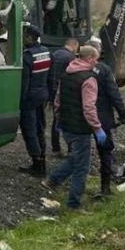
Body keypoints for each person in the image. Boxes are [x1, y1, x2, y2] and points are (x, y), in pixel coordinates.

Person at [42, 45, 105, 210]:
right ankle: (74, 204)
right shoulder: (89, 79)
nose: (97, 62)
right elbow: (89, 107)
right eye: (96, 59)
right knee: (81, 167)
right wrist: (97, 128)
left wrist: (58, 120)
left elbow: (57, 100)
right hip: (81, 128)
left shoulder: (67, 74)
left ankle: (53, 179)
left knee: (76, 157)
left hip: (66, 124)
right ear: (90, 58)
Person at [85, 38, 125, 199]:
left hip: (81, 117)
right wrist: (123, 114)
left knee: (79, 151)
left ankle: (75, 185)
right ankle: (105, 187)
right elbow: (113, 93)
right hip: (101, 117)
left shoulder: (76, 67)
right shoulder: (104, 70)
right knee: (105, 152)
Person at [18, 25, 51, 175]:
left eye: (25, 35)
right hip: (41, 95)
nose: (23, 38)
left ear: (30, 37)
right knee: (40, 128)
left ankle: (37, 164)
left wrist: (20, 101)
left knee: (29, 130)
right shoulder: (46, 51)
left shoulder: (27, 56)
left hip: (29, 98)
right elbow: (50, 76)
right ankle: (42, 158)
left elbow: (24, 83)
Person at [47, 37, 79, 156]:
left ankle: (56, 148)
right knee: (69, 120)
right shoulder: (71, 58)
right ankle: (71, 149)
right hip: (65, 91)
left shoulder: (54, 54)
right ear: (75, 45)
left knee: (56, 119)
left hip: (53, 89)